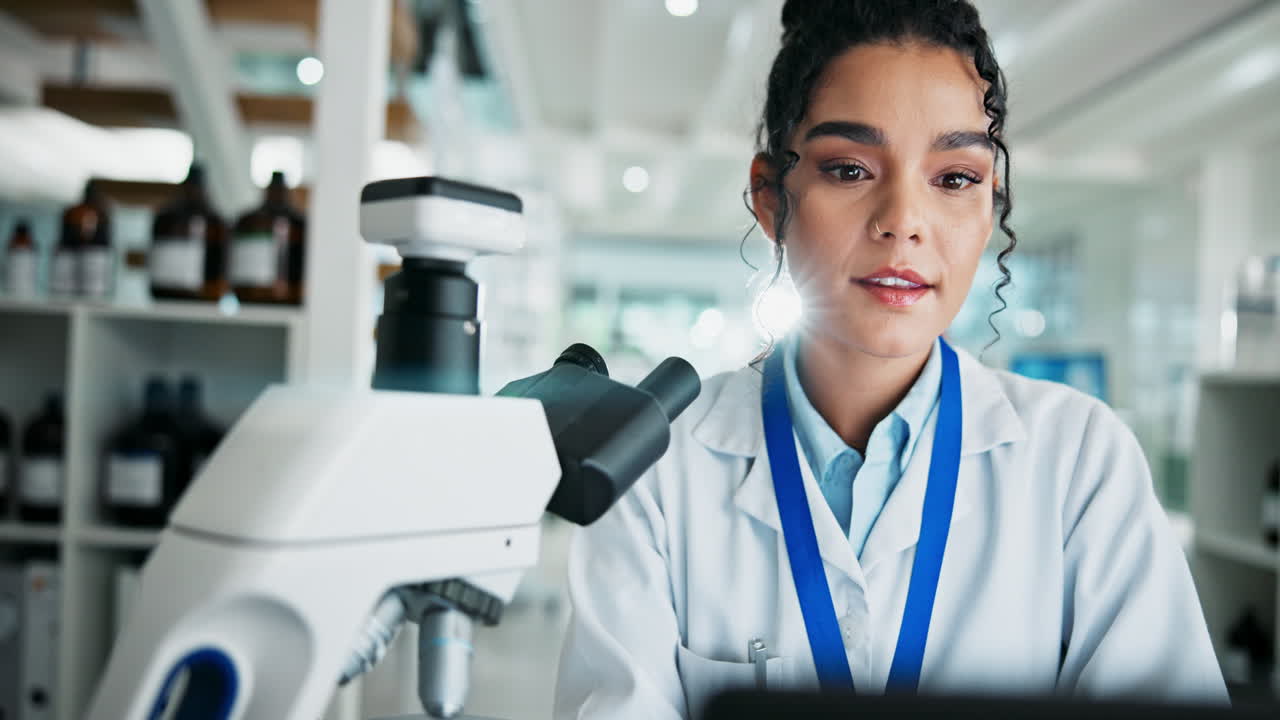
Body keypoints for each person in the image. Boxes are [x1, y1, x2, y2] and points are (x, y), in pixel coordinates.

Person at [553, 1, 1227, 718]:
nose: (903, 220)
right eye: (849, 169)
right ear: (770, 196)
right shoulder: (656, 466)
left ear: (991, 203)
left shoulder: (1080, 463)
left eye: (955, 178)